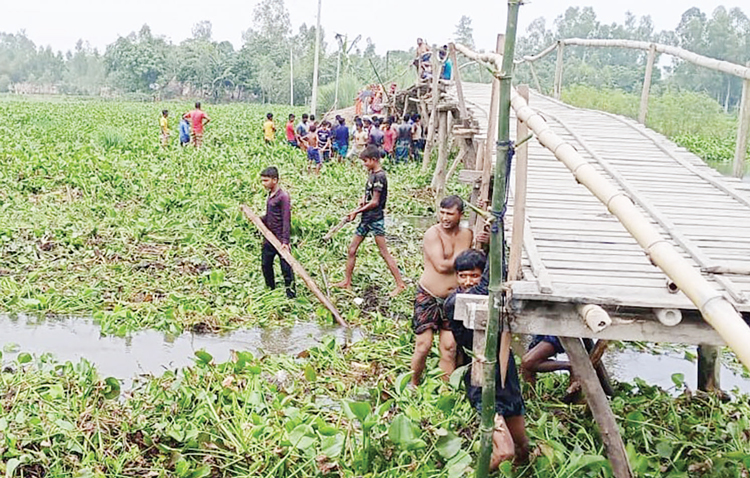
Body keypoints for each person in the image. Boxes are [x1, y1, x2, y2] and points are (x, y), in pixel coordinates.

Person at [445, 249, 529, 469]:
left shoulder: (492, 298)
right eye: (462, 276)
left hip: (505, 376)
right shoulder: (454, 302)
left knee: (522, 449)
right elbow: (486, 288)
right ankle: (476, 473)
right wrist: (496, 242)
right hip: (481, 380)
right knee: (505, 452)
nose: (468, 281)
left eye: (474, 275)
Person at [410, 195, 473, 387]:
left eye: (450, 214)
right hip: (429, 294)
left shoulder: (466, 234)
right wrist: (464, 256)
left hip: (452, 298)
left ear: (460, 215)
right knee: (423, 346)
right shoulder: (432, 234)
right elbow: (442, 266)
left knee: (449, 347)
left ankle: (446, 390)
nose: (445, 218)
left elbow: (463, 263)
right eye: (442, 213)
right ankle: (414, 383)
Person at [333, 145, 406, 297]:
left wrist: (355, 211)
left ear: (374, 160)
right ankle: (347, 281)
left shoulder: (380, 176)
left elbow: (375, 202)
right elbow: (369, 196)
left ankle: (400, 284)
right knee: (352, 249)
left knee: (384, 252)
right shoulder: (372, 174)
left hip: (375, 219)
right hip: (366, 219)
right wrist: (362, 201)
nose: (364, 164)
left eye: (366, 161)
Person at [259, 167, 296, 299]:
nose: (263, 183)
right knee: (265, 264)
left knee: (286, 268)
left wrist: (285, 241)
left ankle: (291, 295)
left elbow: (286, 219)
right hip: (269, 237)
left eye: (266, 180)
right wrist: (259, 219)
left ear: (275, 180)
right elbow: (271, 215)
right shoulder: (271, 194)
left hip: (280, 239)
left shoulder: (283, 197)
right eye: (262, 181)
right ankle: (270, 289)